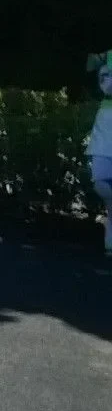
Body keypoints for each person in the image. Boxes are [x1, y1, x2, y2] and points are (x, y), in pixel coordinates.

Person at [86, 50, 112, 256]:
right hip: (106, 125)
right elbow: (90, 64)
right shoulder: (108, 56)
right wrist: (101, 60)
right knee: (101, 183)